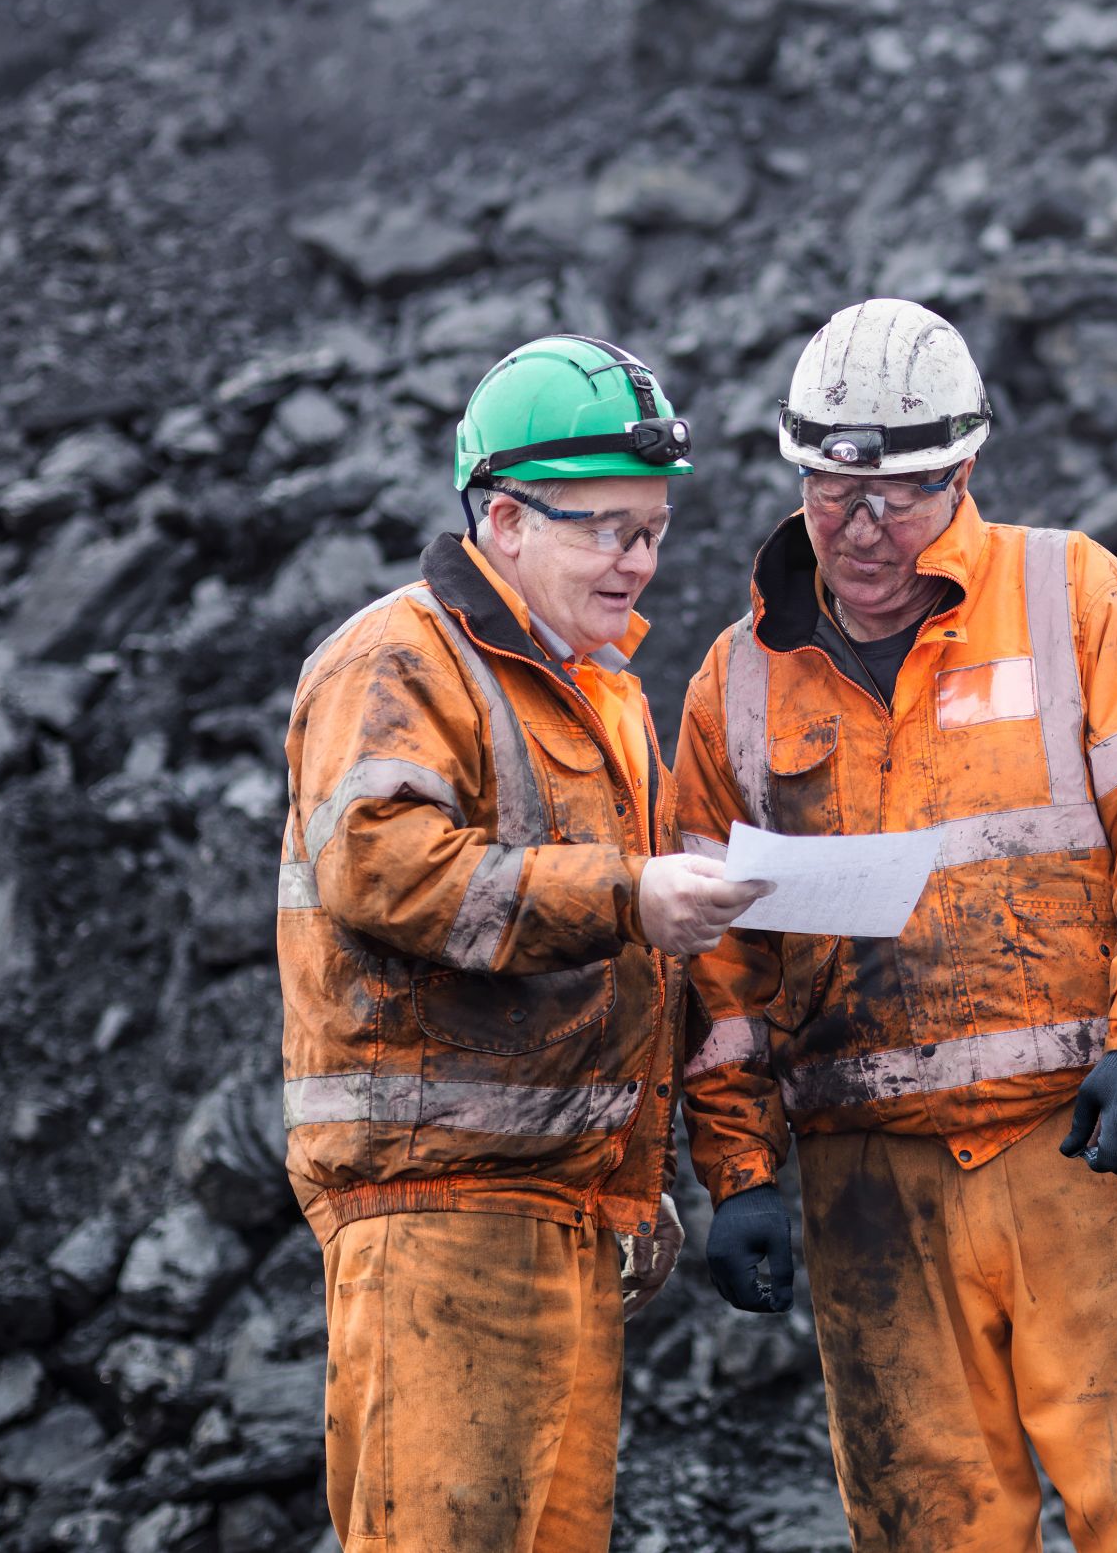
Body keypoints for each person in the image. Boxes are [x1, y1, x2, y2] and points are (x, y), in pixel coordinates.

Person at [677, 298, 1117, 1550]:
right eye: (837, 492)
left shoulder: (1072, 596)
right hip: (872, 1186)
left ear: (966, 469)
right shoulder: (734, 682)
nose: (865, 526)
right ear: (798, 473)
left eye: (904, 491)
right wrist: (738, 1170)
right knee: (927, 1530)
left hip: (1087, 1149)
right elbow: (713, 959)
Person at [276, 335, 760, 1553]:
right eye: (606, 527)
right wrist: (627, 894)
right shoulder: (398, 657)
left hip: (566, 1213)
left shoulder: (602, 696)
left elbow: (639, 967)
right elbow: (380, 863)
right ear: (502, 516)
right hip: (437, 1213)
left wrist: (638, 1178)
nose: (638, 560)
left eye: (651, 529)